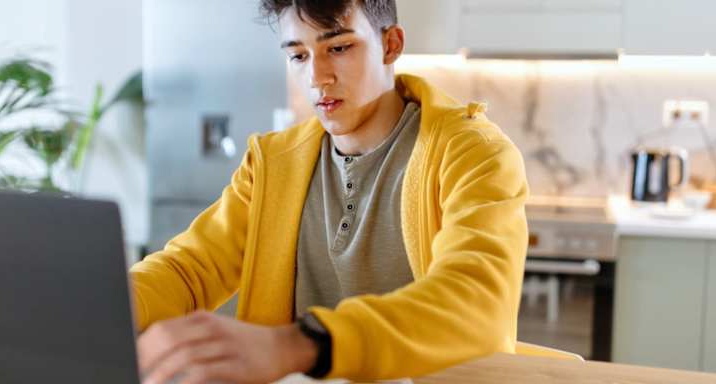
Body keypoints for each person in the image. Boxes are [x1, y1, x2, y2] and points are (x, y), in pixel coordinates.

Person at [131, 1, 529, 383]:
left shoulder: (473, 153)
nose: (317, 77)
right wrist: (113, 307)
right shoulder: (273, 162)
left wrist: (295, 345)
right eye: (299, 56)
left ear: (391, 44)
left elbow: (476, 300)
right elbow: (190, 269)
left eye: (338, 48)